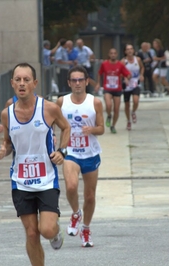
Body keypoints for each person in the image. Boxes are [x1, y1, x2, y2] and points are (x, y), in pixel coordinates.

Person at [0, 63, 71, 266]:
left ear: (34, 83)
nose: (22, 84)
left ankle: (56, 233)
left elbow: (66, 128)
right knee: (31, 233)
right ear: (12, 83)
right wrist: (2, 150)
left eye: (26, 80)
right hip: (20, 182)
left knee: (46, 229)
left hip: (46, 179)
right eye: (18, 80)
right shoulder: (7, 114)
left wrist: (62, 151)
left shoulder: (49, 108)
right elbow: (8, 143)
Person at [56, 66, 104, 248]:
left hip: (90, 153)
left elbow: (101, 128)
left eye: (80, 80)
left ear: (86, 81)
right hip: (70, 153)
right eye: (73, 80)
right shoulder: (62, 102)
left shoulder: (95, 102)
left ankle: (86, 228)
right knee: (71, 186)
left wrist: (91, 129)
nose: (77, 83)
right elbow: (53, 121)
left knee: (90, 196)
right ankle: (76, 213)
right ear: (69, 83)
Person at [95, 48, 130, 134]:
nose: (113, 55)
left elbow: (128, 74)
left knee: (116, 109)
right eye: (111, 53)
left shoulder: (120, 65)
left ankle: (113, 125)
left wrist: (126, 78)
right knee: (108, 104)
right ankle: (109, 115)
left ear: (117, 54)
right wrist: (98, 83)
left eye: (114, 53)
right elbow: (99, 73)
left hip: (117, 89)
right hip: (107, 88)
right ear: (109, 54)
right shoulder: (104, 64)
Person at [121, 44, 144, 131]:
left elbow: (142, 68)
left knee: (136, 100)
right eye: (128, 49)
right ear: (125, 51)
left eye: (131, 49)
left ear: (134, 50)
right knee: (127, 104)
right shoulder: (123, 61)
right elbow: (120, 72)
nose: (130, 51)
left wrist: (141, 75)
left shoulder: (137, 59)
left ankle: (133, 111)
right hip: (127, 85)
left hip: (136, 83)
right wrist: (124, 78)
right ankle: (128, 121)